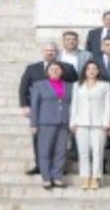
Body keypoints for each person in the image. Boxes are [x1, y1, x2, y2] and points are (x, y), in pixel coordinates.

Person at [19, 43, 79, 176]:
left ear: (57, 52)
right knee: (39, 140)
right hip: (39, 110)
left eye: (53, 50)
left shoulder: (67, 68)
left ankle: (58, 167)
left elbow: (76, 87)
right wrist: (24, 105)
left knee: (60, 143)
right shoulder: (32, 68)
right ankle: (40, 166)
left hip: (61, 112)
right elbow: (24, 87)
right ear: (42, 51)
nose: (50, 53)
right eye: (47, 50)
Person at [29, 61, 73, 189]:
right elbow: (35, 106)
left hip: (64, 121)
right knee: (45, 150)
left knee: (61, 151)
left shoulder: (69, 86)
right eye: (52, 69)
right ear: (47, 71)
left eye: (57, 69)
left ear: (62, 71)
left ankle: (57, 177)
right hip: (46, 121)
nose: (55, 71)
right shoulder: (39, 85)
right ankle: (46, 177)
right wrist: (33, 123)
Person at [70, 61, 110, 190]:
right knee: (83, 152)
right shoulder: (77, 85)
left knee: (98, 151)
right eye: (89, 68)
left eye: (94, 68)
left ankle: (96, 178)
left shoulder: (105, 86)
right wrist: (73, 121)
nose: (91, 71)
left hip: (99, 124)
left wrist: (106, 122)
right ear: (85, 71)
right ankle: (85, 177)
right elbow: (74, 104)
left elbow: (108, 105)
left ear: (98, 71)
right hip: (81, 123)